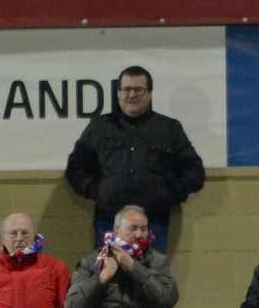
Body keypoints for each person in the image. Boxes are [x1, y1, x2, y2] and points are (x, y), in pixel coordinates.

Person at [64, 64, 205, 250]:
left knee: (150, 277)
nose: (132, 95)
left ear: (150, 93)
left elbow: (194, 171)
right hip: (109, 222)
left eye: (138, 89)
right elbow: (75, 166)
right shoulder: (99, 127)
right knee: (108, 276)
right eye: (126, 89)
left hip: (152, 224)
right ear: (118, 92)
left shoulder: (169, 129)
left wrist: (169, 196)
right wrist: (97, 192)